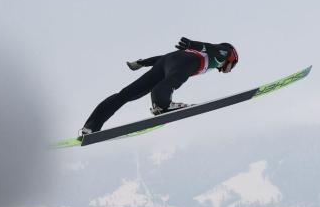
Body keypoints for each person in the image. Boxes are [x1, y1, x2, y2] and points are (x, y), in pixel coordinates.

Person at [79, 37, 239, 138]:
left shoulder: (210, 58)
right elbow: (213, 48)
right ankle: (162, 105)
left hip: (166, 62)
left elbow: (165, 58)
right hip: (185, 61)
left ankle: (90, 127)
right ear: (232, 58)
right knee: (170, 82)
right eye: (232, 66)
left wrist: (142, 63)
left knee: (125, 95)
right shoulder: (224, 52)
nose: (229, 70)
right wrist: (193, 44)